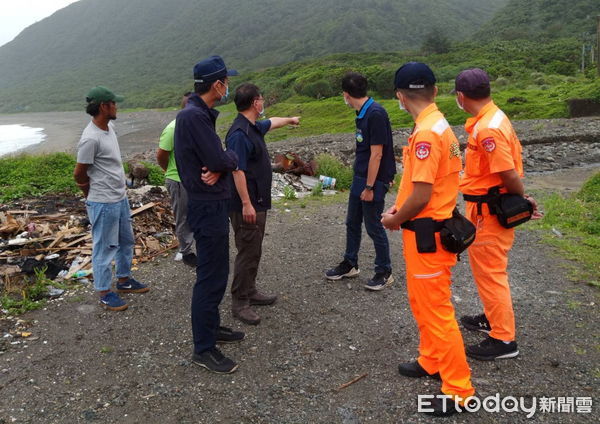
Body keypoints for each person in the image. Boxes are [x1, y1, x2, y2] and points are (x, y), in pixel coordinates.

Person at [381, 62, 475, 416]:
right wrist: (401, 207)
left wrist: (394, 218)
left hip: (427, 234)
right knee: (423, 303)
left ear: (400, 97)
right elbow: (424, 186)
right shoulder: (438, 125)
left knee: (436, 310)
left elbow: (422, 195)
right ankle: (431, 360)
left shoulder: (426, 134)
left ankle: (459, 390)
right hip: (428, 231)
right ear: (435, 91)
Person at [454, 68, 534, 361]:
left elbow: (508, 173)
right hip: (484, 206)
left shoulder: (488, 128)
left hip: (489, 210)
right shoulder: (493, 116)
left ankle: (503, 339)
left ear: (461, 96)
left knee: (491, 273)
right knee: (487, 271)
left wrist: (521, 198)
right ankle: (492, 317)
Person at [174, 56, 243, 374]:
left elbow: (217, 161)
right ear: (217, 85)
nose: (228, 86)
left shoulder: (199, 115)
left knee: (217, 272)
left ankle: (212, 328)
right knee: (210, 277)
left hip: (211, 202)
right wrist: (225, 161)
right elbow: (222, 157)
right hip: (206, 206)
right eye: (226, 81)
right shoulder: (193, 118)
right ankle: (203, 348)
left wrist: (220, 165)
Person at [225, 83, 300, 325]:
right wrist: (246, 204)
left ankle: (251, 291)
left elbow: (273, 121)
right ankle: (240, 302)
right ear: (255, 102)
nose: (263, 103)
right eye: (261, 99)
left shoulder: (254, 126)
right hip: (246, 205)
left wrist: (290, 120)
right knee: (247, 251)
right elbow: (237, 172)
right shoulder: (239, 134)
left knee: (254, 248)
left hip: (257, 202)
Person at [73, 86, 149, 312]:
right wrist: (91, 196)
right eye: (114, 103)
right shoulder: (90, 139)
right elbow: (79, 173)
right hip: (103, 202)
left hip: (119, 197)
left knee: (126, 241)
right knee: (105, 247)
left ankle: (124, 280)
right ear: (104, 106)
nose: (117, 107)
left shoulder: (110, 127)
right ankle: (105, 291)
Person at [325, 72, 396, 291]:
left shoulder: (375, 114)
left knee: (374, 225)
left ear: (346, 94)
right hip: (360, 177)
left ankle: (384, 271)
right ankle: (350, 264)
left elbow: (377, 155)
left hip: (371, 181)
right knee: (352, 222)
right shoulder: (362, 112)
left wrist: (370, 187)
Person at [156, 92, 197, 267]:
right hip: (178, 180)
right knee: (183, 216)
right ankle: (186, 251)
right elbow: (161, 155)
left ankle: (198, 246)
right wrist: (171, 172)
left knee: (196, 214)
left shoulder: (198, 126)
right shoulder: (173, 128)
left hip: (195, 179)